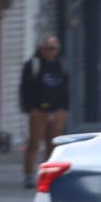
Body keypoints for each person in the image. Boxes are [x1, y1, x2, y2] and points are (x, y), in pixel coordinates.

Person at [19, 34, 70, 188]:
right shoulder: (33, 65)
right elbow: (25, 88)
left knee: (53, 144)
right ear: (42, 49)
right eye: (49, 48)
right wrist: (30, 108)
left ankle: (49, 174)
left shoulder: (61, 64)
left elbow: (66, 87)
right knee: (34, 143)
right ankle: (29, 175)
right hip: (38, 111)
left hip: (57, 112)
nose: (52, 52)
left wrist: (64, 108)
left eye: (55, 49)